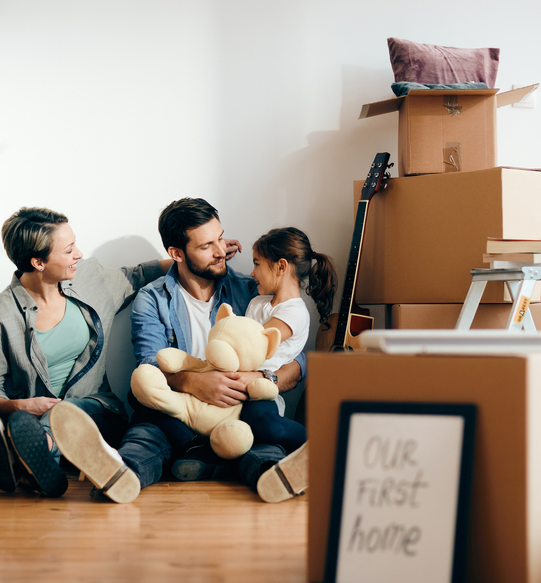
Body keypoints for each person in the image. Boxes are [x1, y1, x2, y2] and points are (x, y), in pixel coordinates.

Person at [50, 198, 310, 503]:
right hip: (177, 411)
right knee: (144, 433)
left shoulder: (250, 291)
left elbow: (296, 357)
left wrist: (258, 377)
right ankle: (121, 473)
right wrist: (193, 382)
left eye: (220, 239)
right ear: (177, 253)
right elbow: (150, 364)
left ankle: (273, 476)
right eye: (206, 246)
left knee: (257, 441)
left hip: (239, 407)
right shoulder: (153, 298)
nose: (220, 251)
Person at [0, 207, 170, 497]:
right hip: (33, 418)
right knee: (38, 420)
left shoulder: (90, 279)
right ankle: (37, 457)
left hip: (98, 414)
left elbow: (139, 275)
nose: (78, 253)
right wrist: (22, 406)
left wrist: (197, 254)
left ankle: (29, 455)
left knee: (65, 412)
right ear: (38, 262)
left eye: (75, 243)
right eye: (68, 250)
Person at [241, 227, 336, 499]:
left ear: (281, 266)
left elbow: (257, 343)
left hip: (264, 390)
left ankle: (320, 447)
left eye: (257, 264)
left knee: (261, 423)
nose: (252, 273)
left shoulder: (294, 312)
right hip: (243, 381)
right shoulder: (258, 302)